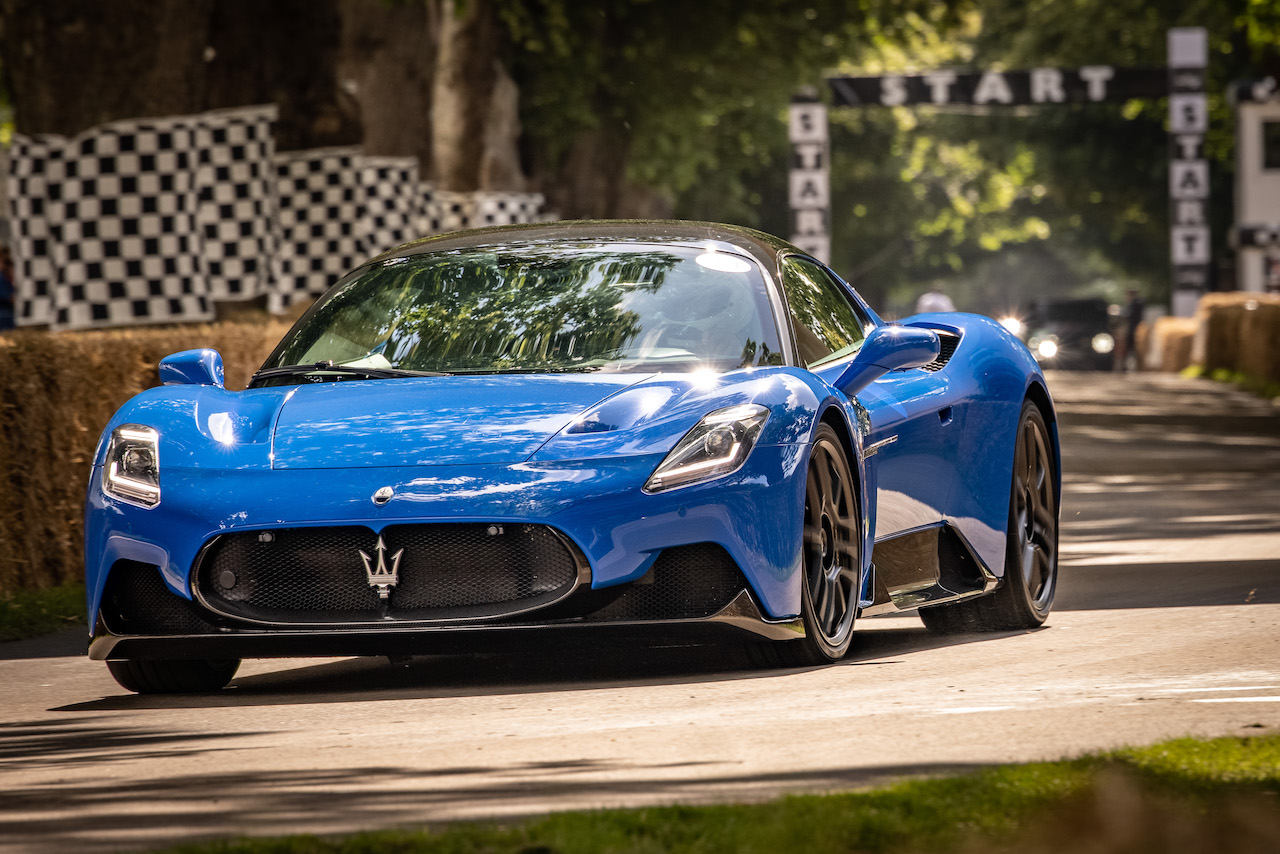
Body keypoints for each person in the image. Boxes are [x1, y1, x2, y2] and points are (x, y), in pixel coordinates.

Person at [1118, 287, 1144, 372]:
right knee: (1132, 349)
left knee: (1130, 349)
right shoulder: (1137, 303)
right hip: (1135, 329)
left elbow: (1129, 315)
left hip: (1134, 330)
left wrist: (1119, 312)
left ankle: (1126, 367)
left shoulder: (1135, 303)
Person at [0, 245, 15, 331]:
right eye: (6, 263)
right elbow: (11, 298)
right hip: (4, 320)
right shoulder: (1, 279)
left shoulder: (6, 277)